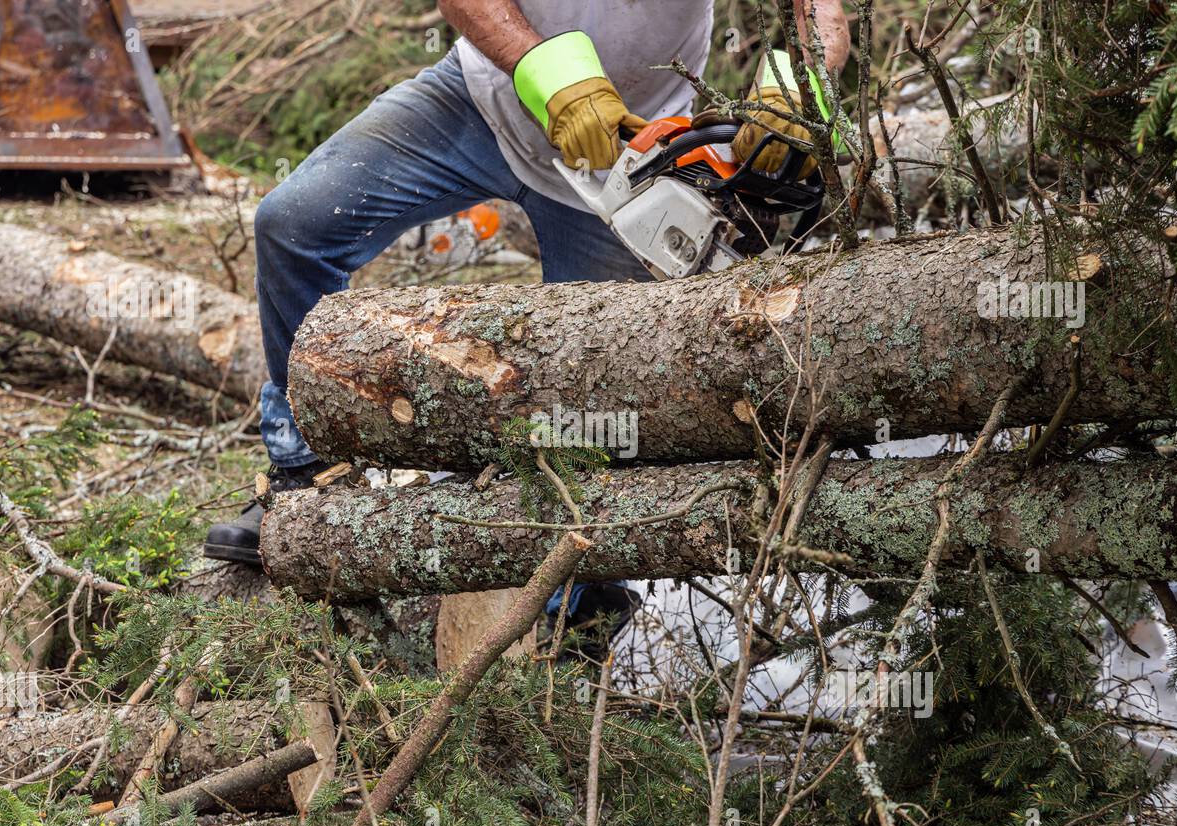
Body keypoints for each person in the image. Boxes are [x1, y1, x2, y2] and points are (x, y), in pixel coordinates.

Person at [205, 0, 851, 612]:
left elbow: (820, 13)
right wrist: (543, 70)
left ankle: (582, 604)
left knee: (600, 404)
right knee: (294, 223)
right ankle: (303, 471)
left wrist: (798, 92)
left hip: (628, 158)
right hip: (479, 102)